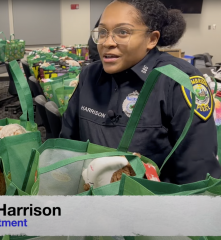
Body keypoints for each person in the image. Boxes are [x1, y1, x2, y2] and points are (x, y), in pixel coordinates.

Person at [60, 0, 221, 184]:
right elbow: (67, 146)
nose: (107, 42)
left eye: (122, 32)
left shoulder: (178, 81)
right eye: (103, 32)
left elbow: (197, 172)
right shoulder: (89, 76)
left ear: (151, 39)